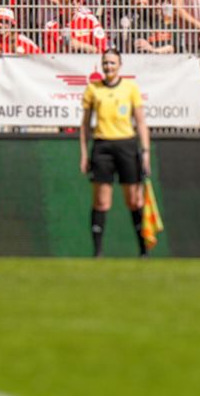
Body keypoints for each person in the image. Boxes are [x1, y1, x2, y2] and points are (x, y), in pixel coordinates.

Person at [80, 49, 152, 257]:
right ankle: (98, 252)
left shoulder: (130, 88)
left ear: (120, 65)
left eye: (112, 63)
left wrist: (145, 152)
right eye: (105, 63)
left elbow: (140, 122)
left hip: (127, 146)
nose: (109, 67)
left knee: (134, 200)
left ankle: (143, 250)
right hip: (102, 147)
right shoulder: (93, 89)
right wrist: (84, 154)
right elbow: (85, 125)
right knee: (102, 201)